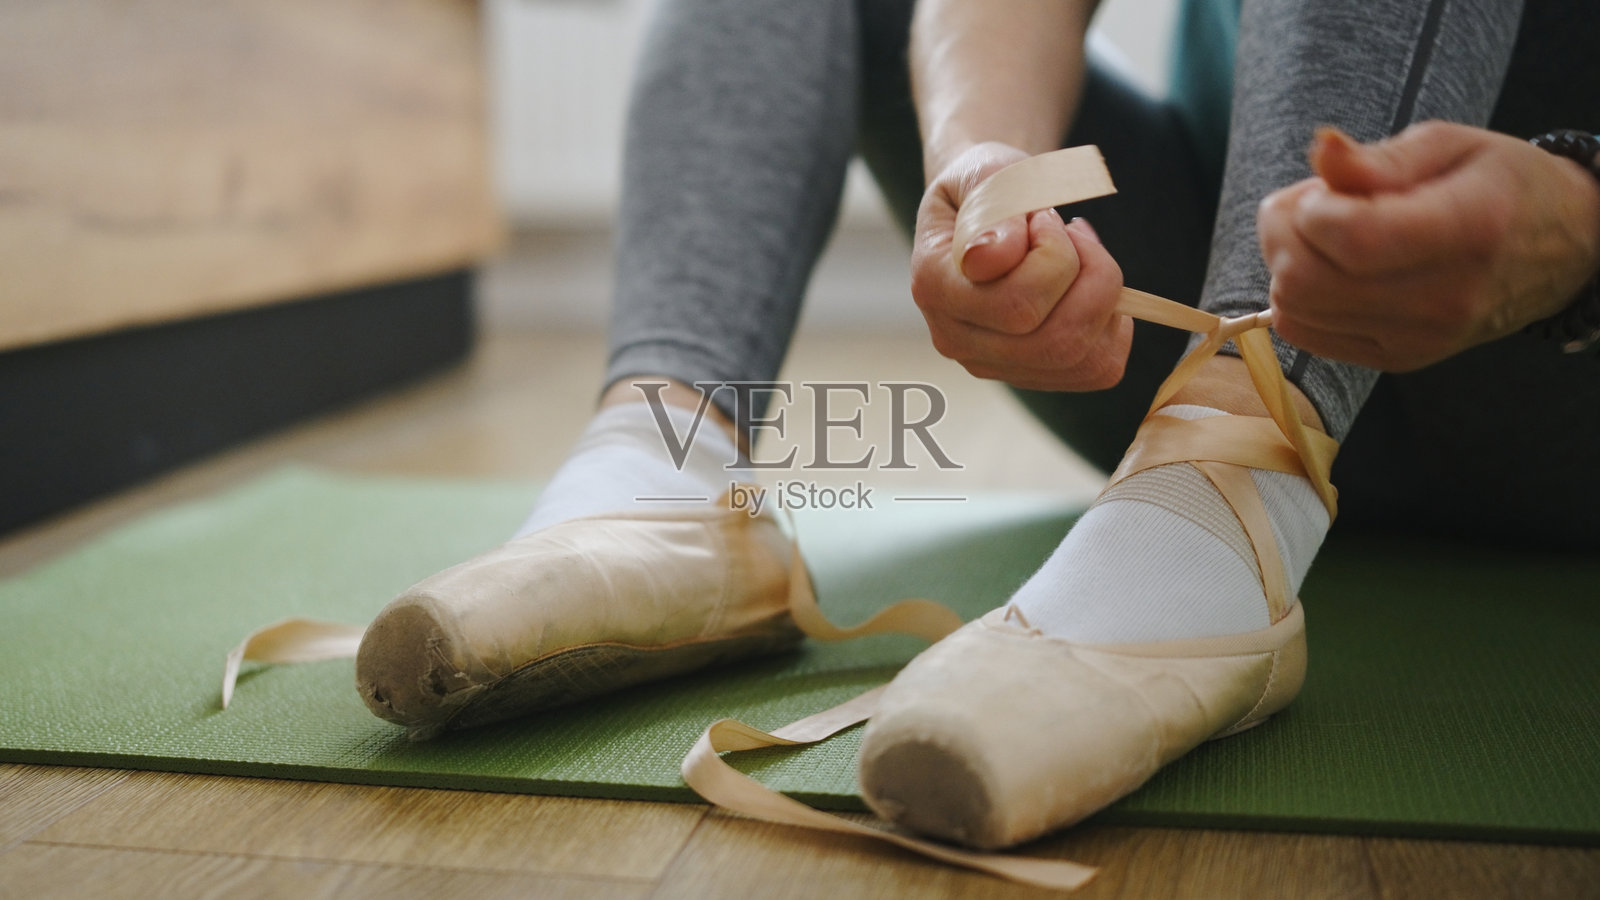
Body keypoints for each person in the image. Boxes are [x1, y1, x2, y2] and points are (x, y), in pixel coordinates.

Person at [354, 0, 1600, 848]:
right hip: (1190, 326)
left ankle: (1231, 489)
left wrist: (1581, 227)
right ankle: (661, 472)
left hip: (1552, 350)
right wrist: (991, 171)